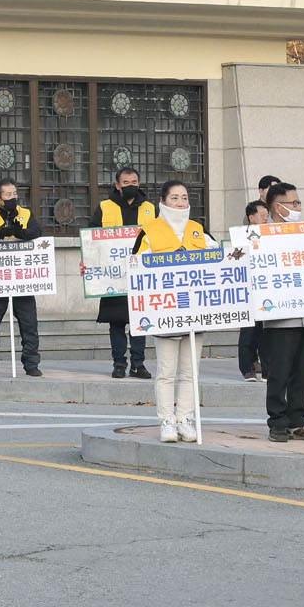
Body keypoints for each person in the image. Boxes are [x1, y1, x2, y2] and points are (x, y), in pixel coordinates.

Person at [136, 179, 213, 442]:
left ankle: (185, 419)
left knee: (190, 373)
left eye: (184, 198)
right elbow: (137, 267)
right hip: (165, 312)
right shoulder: (149, 231)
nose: (180, 203)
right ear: (163, 201)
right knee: (166, 372)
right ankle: (167, 420)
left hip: (195, 312)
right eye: (174, 198)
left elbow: (219, 260)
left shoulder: (198, 230)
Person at [257, 182, 304, 442]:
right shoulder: (261, 237)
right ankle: (277, 419)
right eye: (293, 203)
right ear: (278, 206)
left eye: (299, 203)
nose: (298, 207)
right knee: (280, 369)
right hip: (280, 316)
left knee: (303, 370)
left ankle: (298, 418)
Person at [0, 176, 41, 378]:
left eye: (15, 194)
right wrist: (1, 232)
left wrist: (20, 232)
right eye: (8, 195)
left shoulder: (25, 213)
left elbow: (37, 231)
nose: (13, 198)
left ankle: (31, 364)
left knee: (29, 324)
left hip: (22, 280)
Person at [94, 168, 154, 380]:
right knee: (116, 322)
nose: (131, 186)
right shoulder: (104, 207)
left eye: (134, 182)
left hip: (141, 275)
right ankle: (119, 364)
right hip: (114, 275)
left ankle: (138, 364)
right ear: (117, 185)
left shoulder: (150, 209)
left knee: (140, 321)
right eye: (126, 182)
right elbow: (91, 240)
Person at [235, 198, 267, 382]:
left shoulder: (273, 236)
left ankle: (266, 368)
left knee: (265, 332)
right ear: (251, 217)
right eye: (261, 215)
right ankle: (247, 368)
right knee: (248, 331)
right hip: (249, 290)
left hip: (267, 290)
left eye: (267, 215)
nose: (265, 218)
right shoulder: (241, 237)